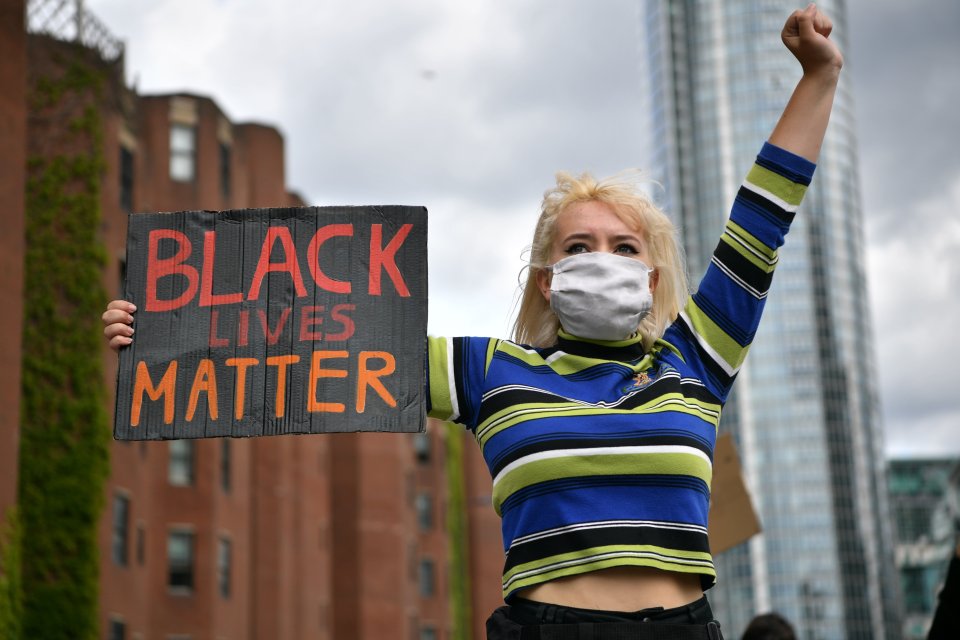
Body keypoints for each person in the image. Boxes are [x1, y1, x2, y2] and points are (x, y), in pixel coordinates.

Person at [104, 4, 842, 638]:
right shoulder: (493, 370)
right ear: (548, 282)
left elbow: (762, 218)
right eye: (578, 246)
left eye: (623, 247)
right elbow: (307, 355)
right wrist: (164, 328)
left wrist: (818, 77)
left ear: (651, 279)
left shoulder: (697, 356)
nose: (602, 258)